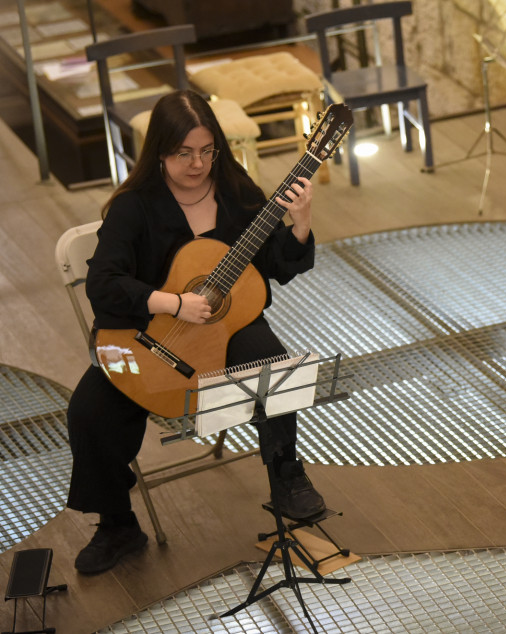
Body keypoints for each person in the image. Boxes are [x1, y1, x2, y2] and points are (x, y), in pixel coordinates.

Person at [67, 89, 324, 575]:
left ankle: (287, 475)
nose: (198, 164)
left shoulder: (235, 190)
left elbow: (275, 264)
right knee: (89, 411)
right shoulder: (134, 206)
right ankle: (117, 525)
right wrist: (174, 303)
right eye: (184, 152)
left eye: (208, 150)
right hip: (145, 334)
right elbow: (102, 284)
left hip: (226, 326)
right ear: (159, 151)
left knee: (271, 365)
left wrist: (301, 223)